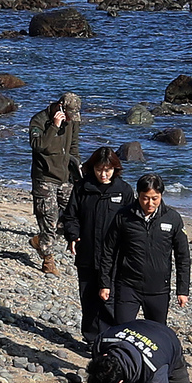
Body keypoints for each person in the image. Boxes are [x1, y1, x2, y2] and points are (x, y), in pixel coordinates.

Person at [62, 147, 134, 349]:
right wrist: (73, 236)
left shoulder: (125, 191)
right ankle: (91, 338)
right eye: (99, 169)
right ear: (92, 168)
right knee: (88, 296)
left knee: (109, 298)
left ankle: (112, 339)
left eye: (108, 170)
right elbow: (71, 216)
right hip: (87, 251)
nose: (103, 174)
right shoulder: (82, 187)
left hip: (115, 255)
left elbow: (132, 223)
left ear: (115, 169)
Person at [97, 173, 190, 325]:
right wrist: (105, 284)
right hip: (128, 286)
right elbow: (108, 251)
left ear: (161, 195)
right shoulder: (124, 216)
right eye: (145, 198)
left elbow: (183, 257)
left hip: (158, 289)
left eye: (155, 198)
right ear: (138, 195)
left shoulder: (173, 218)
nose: (150, 203)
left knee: (156, 332)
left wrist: (183, 290)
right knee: (122, 330)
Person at [27, 92, 82, 275]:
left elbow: (73, 146)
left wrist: (77, 170)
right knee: (49, 221)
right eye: (68, 115)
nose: (70, 120)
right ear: (60, 107)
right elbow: (38, 145)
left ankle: (40, 241)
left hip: (65, 177)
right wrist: (54, 127)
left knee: (71, 218)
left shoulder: (72, 122)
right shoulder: (39, 120)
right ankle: (48, 260)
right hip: (44, 178)